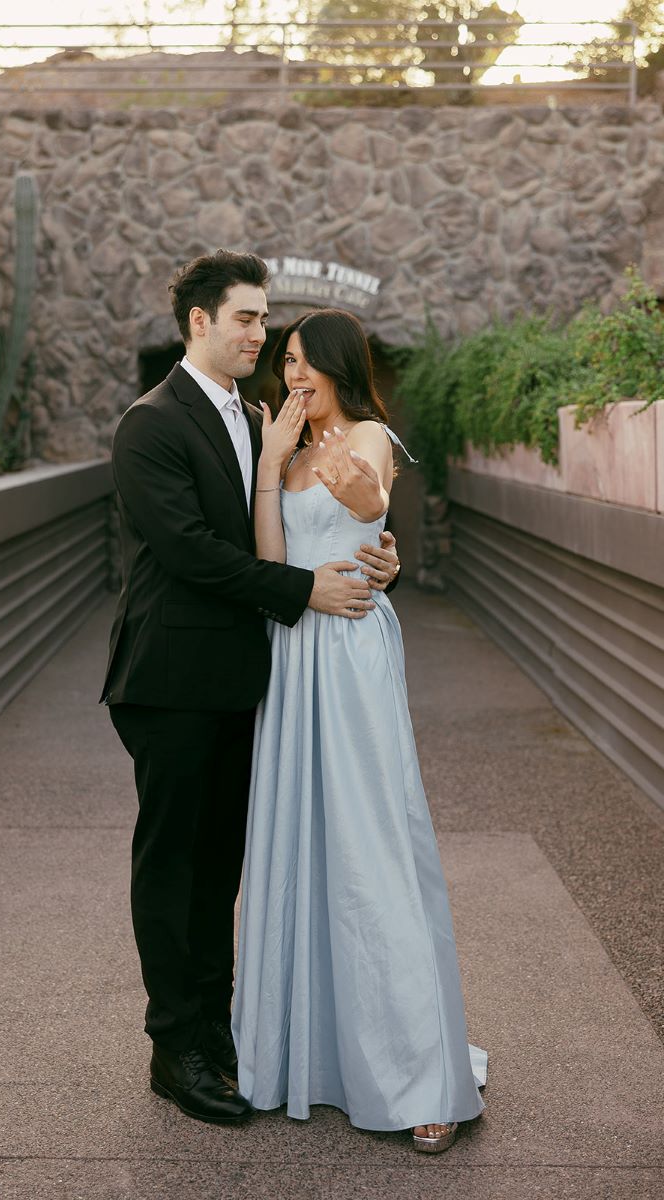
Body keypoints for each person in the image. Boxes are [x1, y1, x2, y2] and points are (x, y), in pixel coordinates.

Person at [101, 251, 400, 1126]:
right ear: (199, 321)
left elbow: (324, 513)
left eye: (264, 320)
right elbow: (191, 550)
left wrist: (382, 555)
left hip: (247, 681)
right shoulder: (149, 425)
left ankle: (222, 1032)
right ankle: (176, 1047)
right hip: (172, 678)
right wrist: (303, 591)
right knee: (175, 864)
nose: (260, 335)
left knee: (223, 866)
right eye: (245, 319)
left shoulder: (263, 417)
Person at [231, 308, 487, 1153]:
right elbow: (271, 561)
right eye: (285, 364)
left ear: (338, 365)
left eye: (302, 362)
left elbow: (373, 496)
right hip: (292, 652)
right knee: (297, 847)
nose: (291, 376)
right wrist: (273, 463)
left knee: (371, 849)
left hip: (349, 658)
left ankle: (420, 1076)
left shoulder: (370, 435)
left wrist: (362, 501)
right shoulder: (288, 448)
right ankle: (305, 1056)